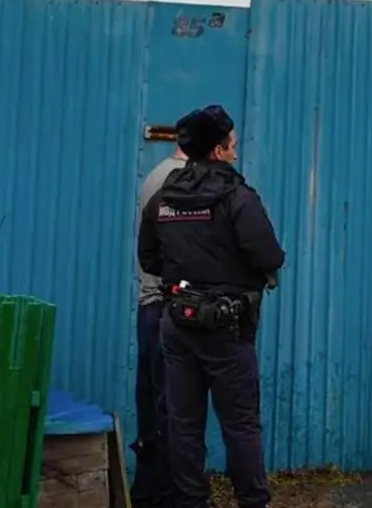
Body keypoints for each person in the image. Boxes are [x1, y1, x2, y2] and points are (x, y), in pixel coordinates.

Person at [137, 105, 285, 508]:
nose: (236, 151)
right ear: (218, 150)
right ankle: (253, 501)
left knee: (183, 424)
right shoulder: (237, 198)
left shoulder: (163, 197)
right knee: (240, 425)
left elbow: (149, 259)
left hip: (176, 323)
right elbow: (269, 257)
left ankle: (189, 500)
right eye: (232, 144)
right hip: (227, 327)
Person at [130, 145, 187, 507]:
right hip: (166, 307)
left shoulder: (156, 174)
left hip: (150, 306)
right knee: (172, 407)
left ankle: (148, 493)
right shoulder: (175, 181)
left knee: (152, 403)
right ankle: (167, 496)